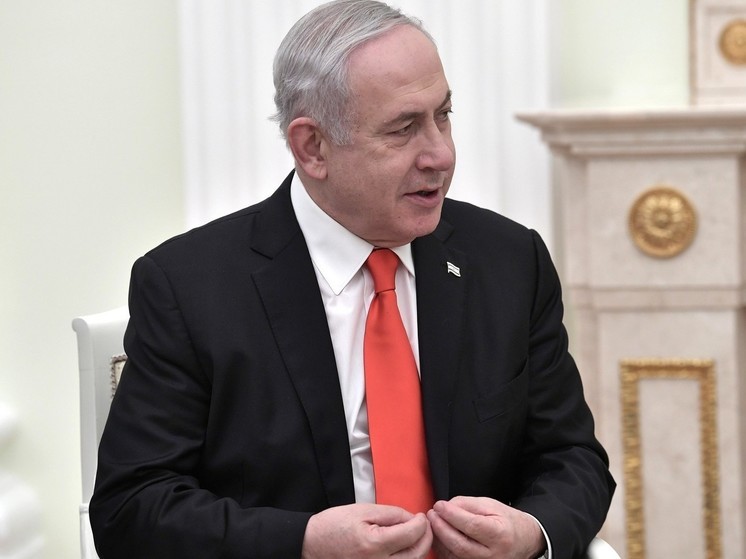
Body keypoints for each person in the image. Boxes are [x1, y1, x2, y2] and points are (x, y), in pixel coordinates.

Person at [89, 1, 615, 558]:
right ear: (312, 147)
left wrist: (532, 532)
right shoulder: (189, 288)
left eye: (443, 115)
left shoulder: (508, 261)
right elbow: (132, 508)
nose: (440, 154)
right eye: (403, 129)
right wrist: (303, 543)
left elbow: (572, 458)